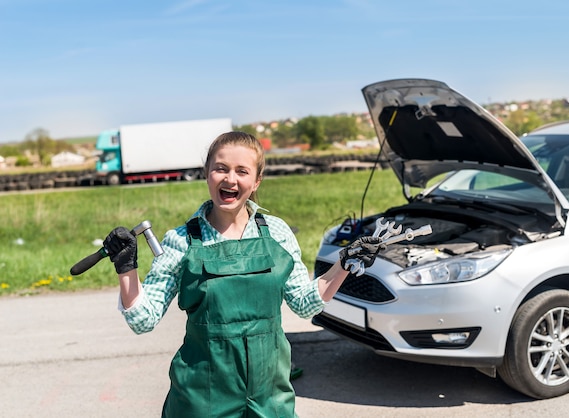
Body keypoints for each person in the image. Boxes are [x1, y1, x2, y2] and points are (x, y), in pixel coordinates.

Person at [103, 131, 384, 418]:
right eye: (221, 169)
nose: (230, 179)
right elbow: (143, 319)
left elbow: (304, 303)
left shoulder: (277, 232)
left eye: (242, 171)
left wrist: (344, 264)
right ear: (207, 173)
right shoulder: (181, 240)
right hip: (203, 398)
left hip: (269, 396)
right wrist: (127, 269)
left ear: (256, 181)